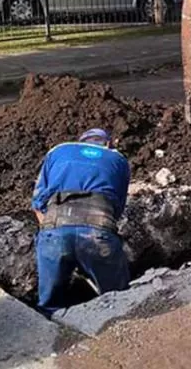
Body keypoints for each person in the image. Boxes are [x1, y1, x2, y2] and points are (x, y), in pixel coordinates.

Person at [32, 128, 131, 315]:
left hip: (54, 228)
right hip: (97, 230)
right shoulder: (118, 159)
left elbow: (37, 204)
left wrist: (56, 236)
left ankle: (53, 328)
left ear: (81, 141)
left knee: (49, 305)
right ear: (108, 144)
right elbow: (117, 207)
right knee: (119, 300)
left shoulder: (58, 150)